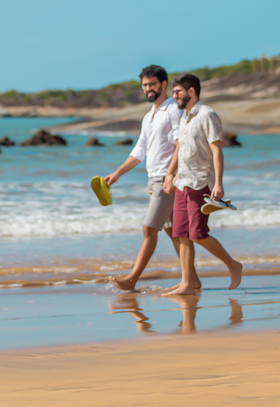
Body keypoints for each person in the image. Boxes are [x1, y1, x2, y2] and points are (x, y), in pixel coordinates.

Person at [102, 65, 184, 292]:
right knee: (172, 232)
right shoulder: (149, 116)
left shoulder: (173, 110)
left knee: (149, 229)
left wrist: (171, 174)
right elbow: (140, 150)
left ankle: (131, 279)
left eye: (152, 84)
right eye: (145, 85)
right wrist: (118, 172)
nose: (148, 89)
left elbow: (181, 144)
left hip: (166, 181)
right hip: (154, 179)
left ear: (163, 84)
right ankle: (192, 279)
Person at [163, 72, 244, 295]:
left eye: (178, 91)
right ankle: (187, 283)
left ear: (192, 92)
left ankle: (233, 265)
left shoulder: (207, 115)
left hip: (201, 183)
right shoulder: (184, 117)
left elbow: (217, 150)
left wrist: (218, 183)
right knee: (180, 233)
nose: (175, 96)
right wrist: (171, 175)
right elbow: (180, 150)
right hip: (182, 183)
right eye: (173, 92)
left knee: (197, 233)